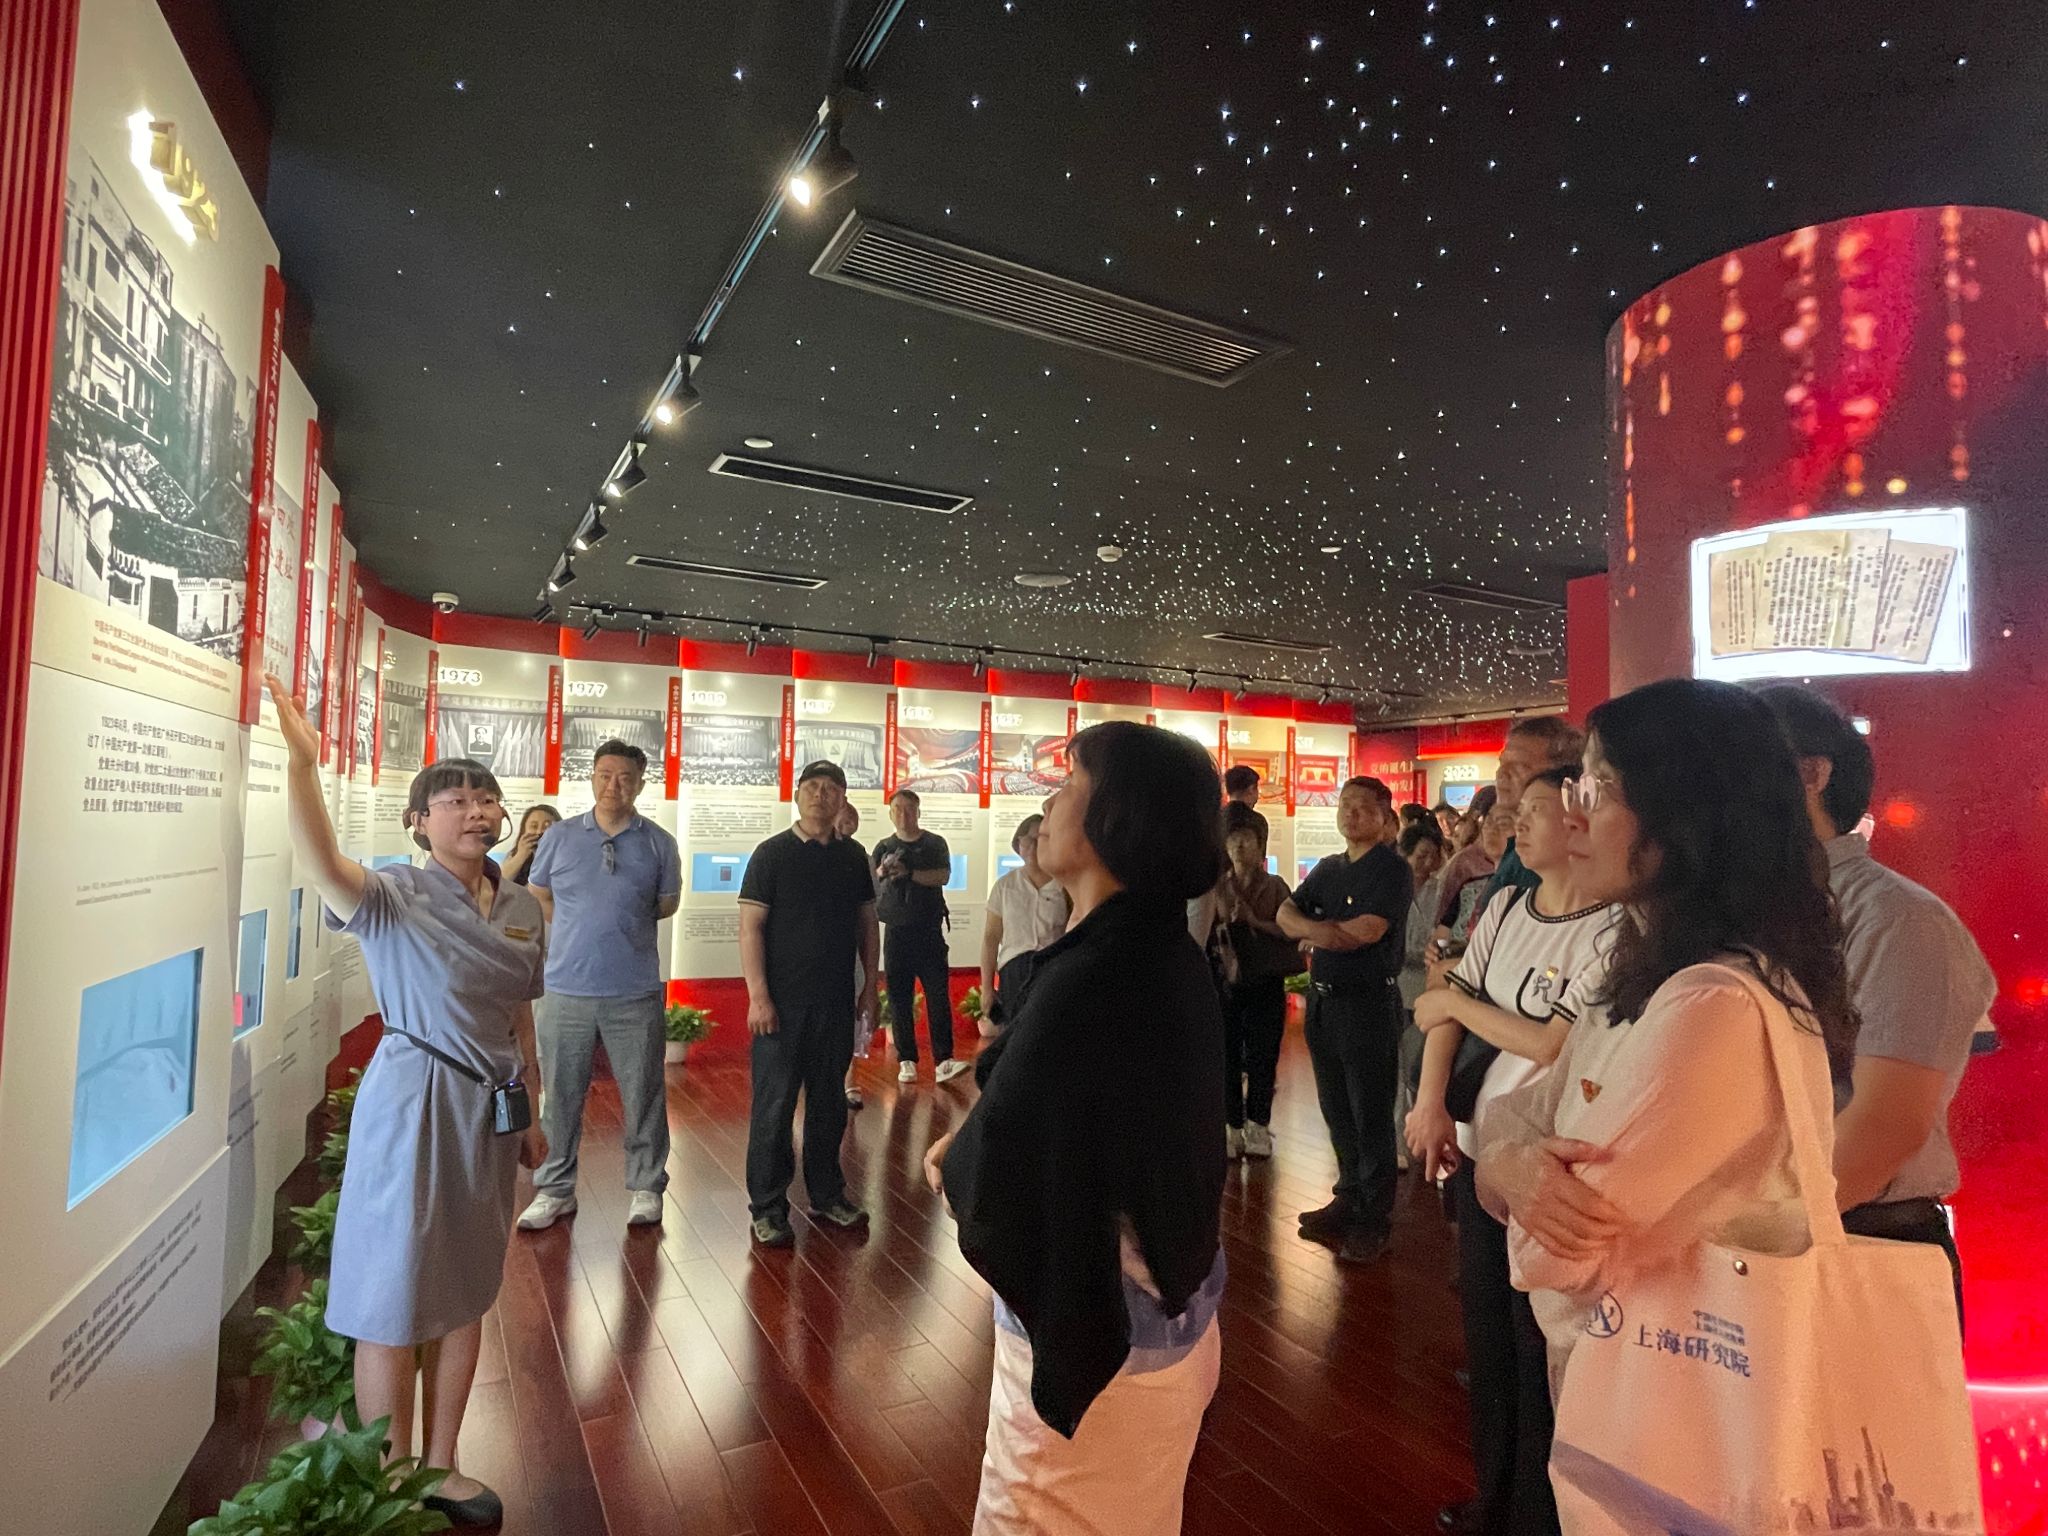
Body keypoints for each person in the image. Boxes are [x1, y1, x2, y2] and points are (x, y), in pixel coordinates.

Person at [1475, 679, 1858, 1399]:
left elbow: (1553, 1259)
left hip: (1680, 1395)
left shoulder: (1712, 1004)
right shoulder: (1644, 966)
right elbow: (1514, 1116)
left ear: (1687, 815)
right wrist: (1509, 1163)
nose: (1571, 815)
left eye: (1599, 789)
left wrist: (1505, 1168)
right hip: (1637, 1378)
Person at [924, 722, 1226, 1534]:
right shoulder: (1159, 950)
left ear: (1116, 816)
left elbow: (998, 1170)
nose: (1049, 804)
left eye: (1067, 785)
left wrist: (954, 1160)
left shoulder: (1092, 976)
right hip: (1172, 1312)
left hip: (1105, 1346)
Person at [263, 675, 545, 1530]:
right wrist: (303, 766)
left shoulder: (524, 904)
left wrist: (532, 1109)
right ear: (418, 821)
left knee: (468, 1282)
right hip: (415, 1099)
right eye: (454, 800)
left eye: (486, 798)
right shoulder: (393, 894)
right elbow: (320, 861)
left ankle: (443, 1462)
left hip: (490, 1106)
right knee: (392, 1289)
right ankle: (388, 1472)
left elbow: (519, 1011)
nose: (476, 811)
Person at [1409, 766, 1614, 1536]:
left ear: (1580, 822)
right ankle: (1494, 1495)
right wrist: (1430, 1103)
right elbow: (1441, 1017)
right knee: (1489, 1338)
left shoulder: (1614, 928)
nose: (1516, 825)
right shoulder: (1503, 906)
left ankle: (1540, 1510)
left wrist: (1455, 1000)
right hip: (1479, 1148)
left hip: (1549, 1161)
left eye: (1533, 810)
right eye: (1512, 812)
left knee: (1542, 1345)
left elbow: (1549, 1042)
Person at [1759, 685, 1993, 1323]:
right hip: (1762, 1243)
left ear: (1811, 775)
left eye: (1736, 764)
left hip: (1863, 1242)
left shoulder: (1898, 919)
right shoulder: (1737, 914)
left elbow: (1883, 1130)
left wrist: (1743, 1233)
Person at [518, 741, 682, 1232]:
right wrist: (579, 927)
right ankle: (554, 1188)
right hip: (565, 987)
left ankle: (646, 1185)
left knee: (643, 1092)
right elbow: (539, 893)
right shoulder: (560, 836)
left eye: (625, 777)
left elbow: (666, 903)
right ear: (591, 778)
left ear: (640, 784)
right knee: (559, 1094)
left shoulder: (658, 842)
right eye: (605, 775)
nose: (614, 785)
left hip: (634, 989)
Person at [740, 760, 880, 1246]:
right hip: (780, 1007)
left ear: (843, 798)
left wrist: (870, 987)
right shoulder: (771, 854)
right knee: (774, 1108)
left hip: (835, 1002)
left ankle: (827, 1194)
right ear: (798, 795)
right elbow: (751, 928)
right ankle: (768, 1207)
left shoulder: (853, 856)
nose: (821, 795)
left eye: (831, 788)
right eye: (812, 787)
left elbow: (867, 925)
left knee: (829, 1105)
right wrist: (758, 995)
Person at [1279, 776, 1413, 1264]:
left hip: (1367, 1004)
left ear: (1384, 816)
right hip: (1323, 1002)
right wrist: (1322, 930)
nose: (1351, 814)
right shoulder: (1329, 868)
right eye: (1345, 805)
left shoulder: (1391, 871)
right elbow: (1284, 913)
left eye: (1362, 806)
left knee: (1370, 1113)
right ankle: (1348, 1196)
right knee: (1335, 1107)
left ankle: (1374, 1219)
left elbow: (1364, 933)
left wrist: (1313, 932)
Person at [873, 788, 970, 1084]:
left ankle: (944, 1059)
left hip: (929, 930)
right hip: (896, 931)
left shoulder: (934, 843)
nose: (903, 814)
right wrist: (884, 871)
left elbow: (942, 875)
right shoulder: (883, 846)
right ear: (890, 814)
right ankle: (906, 1060)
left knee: (938, 995)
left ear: (918, 812)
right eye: (897, 809)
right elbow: (872, 881)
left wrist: (909, 873)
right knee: (899, 997)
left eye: (909, 809)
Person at [1220, 813, 1295, 1159]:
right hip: (1227, 983)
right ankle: (1232, 1126)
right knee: (1227, 1055)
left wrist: (1254, 921)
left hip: (1266, 981)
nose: (1239, 845)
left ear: (1260, 846)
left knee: (1263, 1055)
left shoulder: (1276, 886)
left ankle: (1258, 1125)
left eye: (1247, 839)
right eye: (1233, 839)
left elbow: (1291, 930)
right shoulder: (1218, 887)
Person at [981, 813, 1070, 1036]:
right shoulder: (1005, 886)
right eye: (1027, 839)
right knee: (1015, 1036)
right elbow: (991, 938)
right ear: (1018, 844)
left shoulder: (1065, 886)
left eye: (1040, 839)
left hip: (1052, 968)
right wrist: (987, 988)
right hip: (1015, 970)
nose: (1033, 846)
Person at [1394, 820, 1449, 1165]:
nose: (1427, 863)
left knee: (1419, 1064)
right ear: (1405, 854)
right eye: (1421, 855)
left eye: (1433, 856)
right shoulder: (1391, 888)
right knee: (1397, 1068)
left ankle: (1420, 1133)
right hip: (1396, 986)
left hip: (1427, 988)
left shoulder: (1441, 891)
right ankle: (1399, 1142)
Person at [837, 801, 881, 1109]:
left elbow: (870, 914)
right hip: (818, 954)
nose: (847, 824)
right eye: (844, 819)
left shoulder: (861, 858)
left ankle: (850, 1079)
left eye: (852, 819)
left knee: (851, 1015)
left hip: (851, 949)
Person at [1438, 797, 1515, 942]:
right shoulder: (1468, 888)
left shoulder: (1526, 891)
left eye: (1503, 823)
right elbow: (1441, 934)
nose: (1492, 829)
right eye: (1488, 821)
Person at [497, 803, 559, 886]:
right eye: (534, 826)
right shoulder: (513, 854)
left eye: (547, 826)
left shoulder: (565, 857)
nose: (539, 831)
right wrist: (521, 856)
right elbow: (499, 884)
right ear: (524, 830)